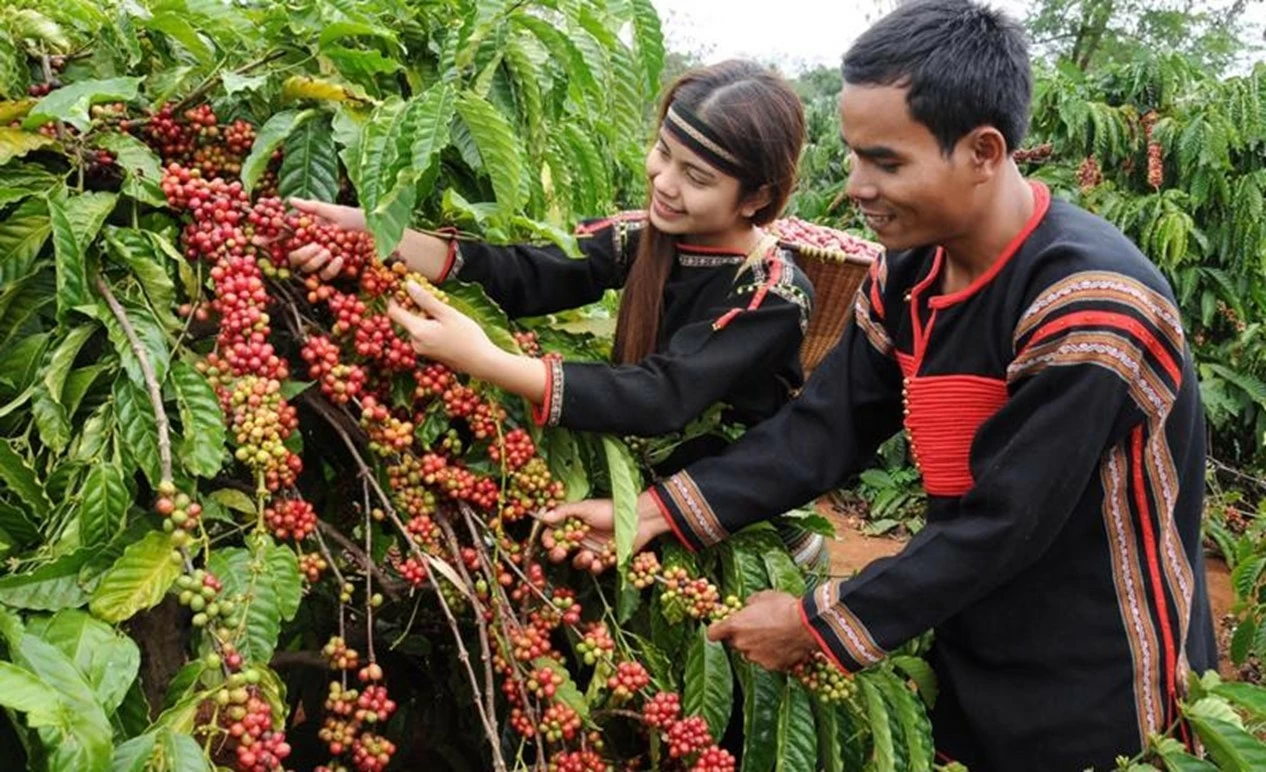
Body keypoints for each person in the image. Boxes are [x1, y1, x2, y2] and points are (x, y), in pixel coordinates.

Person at [542, 2, 1218, 769]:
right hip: (971, 626)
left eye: (886, 162)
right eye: (855, 156)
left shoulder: (1090, 303)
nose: (856, 187)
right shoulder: (907, 272)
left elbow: (1007, 522)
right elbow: (821, 429)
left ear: (984, 151)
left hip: (1098, 668)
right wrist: (653, 514)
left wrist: (818, 623)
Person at [288, 60, 829, 571]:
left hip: (734, 519)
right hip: (638, 492)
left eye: (697, 176)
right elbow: (529, 271)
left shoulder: (773, 296)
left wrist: (486, 360)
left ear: (756, 198)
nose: (664, 181)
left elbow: (661, 394)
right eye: (663, 152)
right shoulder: (647, 237)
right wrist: (381, 235)